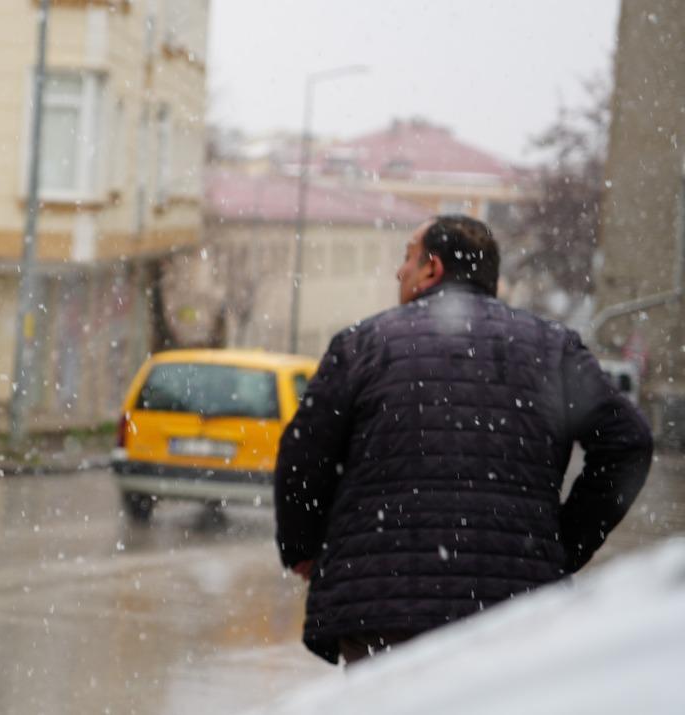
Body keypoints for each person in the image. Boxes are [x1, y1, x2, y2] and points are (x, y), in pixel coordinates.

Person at [274, 215, 654, 665]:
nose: (400, 272)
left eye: (408, 258)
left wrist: (302, 549)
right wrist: (561, 545)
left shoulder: (363, 345)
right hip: (512, 612)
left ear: (432, 268)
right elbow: (628, 443)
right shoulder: (553, 349)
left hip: (382, 607)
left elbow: (303, 455)